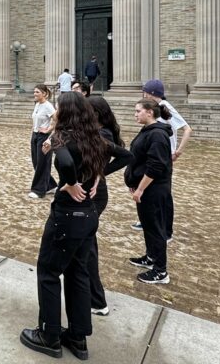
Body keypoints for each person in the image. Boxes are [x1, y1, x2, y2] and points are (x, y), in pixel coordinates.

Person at [20, 92, 131, 359]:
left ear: (66, 112)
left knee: (48, 272)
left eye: (58, 107)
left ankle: (49, 335)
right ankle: (78, 337)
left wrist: (69, 183)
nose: (55, 111)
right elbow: (126, 155)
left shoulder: (63, 137)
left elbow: (67, 161)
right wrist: (99, 175)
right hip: (89, 214)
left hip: (67, 216)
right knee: (78, 273)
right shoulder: (95, 138)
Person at [133, 79, 192, 238]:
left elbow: (187, 129)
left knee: (162, 194)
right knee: (150, 191)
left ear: (150, 94)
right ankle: (147, 220)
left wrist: (178, 152)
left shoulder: (166, 107)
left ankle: (166, 231)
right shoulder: (153, 108)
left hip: (163, 155)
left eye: (145, 92)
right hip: (153, 153)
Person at [125, 98, 174, 285]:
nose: (135, 114)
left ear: (150, 112)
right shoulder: (149, 131)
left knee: (156, 229)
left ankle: (160, 271)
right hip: (145, 189)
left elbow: (156, 166)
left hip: (153, 190)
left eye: (138, 111)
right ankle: (151, 257)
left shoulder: (157, 135)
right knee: (148, 225)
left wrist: (140, 188)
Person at [86, 95, 125, 316]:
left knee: (88, 246)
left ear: (96, 114)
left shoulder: (103, 134)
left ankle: (97, 300)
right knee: (85, 244)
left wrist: (101, 173)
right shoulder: (98, 133)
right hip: (92, 189)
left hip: (94, 194)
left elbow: (125, 157)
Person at [28, 84, 56, 199]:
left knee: (42, 163)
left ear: (44, 93)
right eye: (34, 92)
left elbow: (56, 119)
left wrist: (49, 129)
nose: (35, 94)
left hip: (44, 137)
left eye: (37, 92)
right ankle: (51, 186)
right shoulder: (37, 104)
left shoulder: (48, 106)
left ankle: (39, 190)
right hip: (35, 135)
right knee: (36, 162)